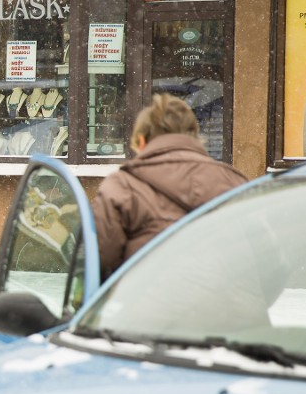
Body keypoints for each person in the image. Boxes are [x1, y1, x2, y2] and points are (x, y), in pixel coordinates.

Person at [91, 93, 248, 280]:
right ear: (195, 137)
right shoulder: (235, 183)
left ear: (141, 141)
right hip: (230, 307)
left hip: (149, 305)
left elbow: (101, 261)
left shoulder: (123, 186)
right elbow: (269, 260)